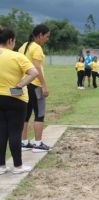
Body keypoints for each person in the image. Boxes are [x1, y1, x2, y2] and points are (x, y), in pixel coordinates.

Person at [0, 28, 39, 174]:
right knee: (15, 132)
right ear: (10, 40)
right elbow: (34, 72)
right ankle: (17, 166)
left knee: (1, 132)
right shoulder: (17, 56)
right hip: (15, 97)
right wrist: (21, 84)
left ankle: (1, 166)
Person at [18, 24, 52, 153]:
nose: (47, 39)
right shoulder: (37, 48)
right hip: (36, 84)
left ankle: (24, 142)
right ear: (40, 35)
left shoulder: (23, 46)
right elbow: (37, 68)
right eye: (47, 36)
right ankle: (38, 144)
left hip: (25, 84)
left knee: (26, 115)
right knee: (40, 113)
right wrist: (44, 85)